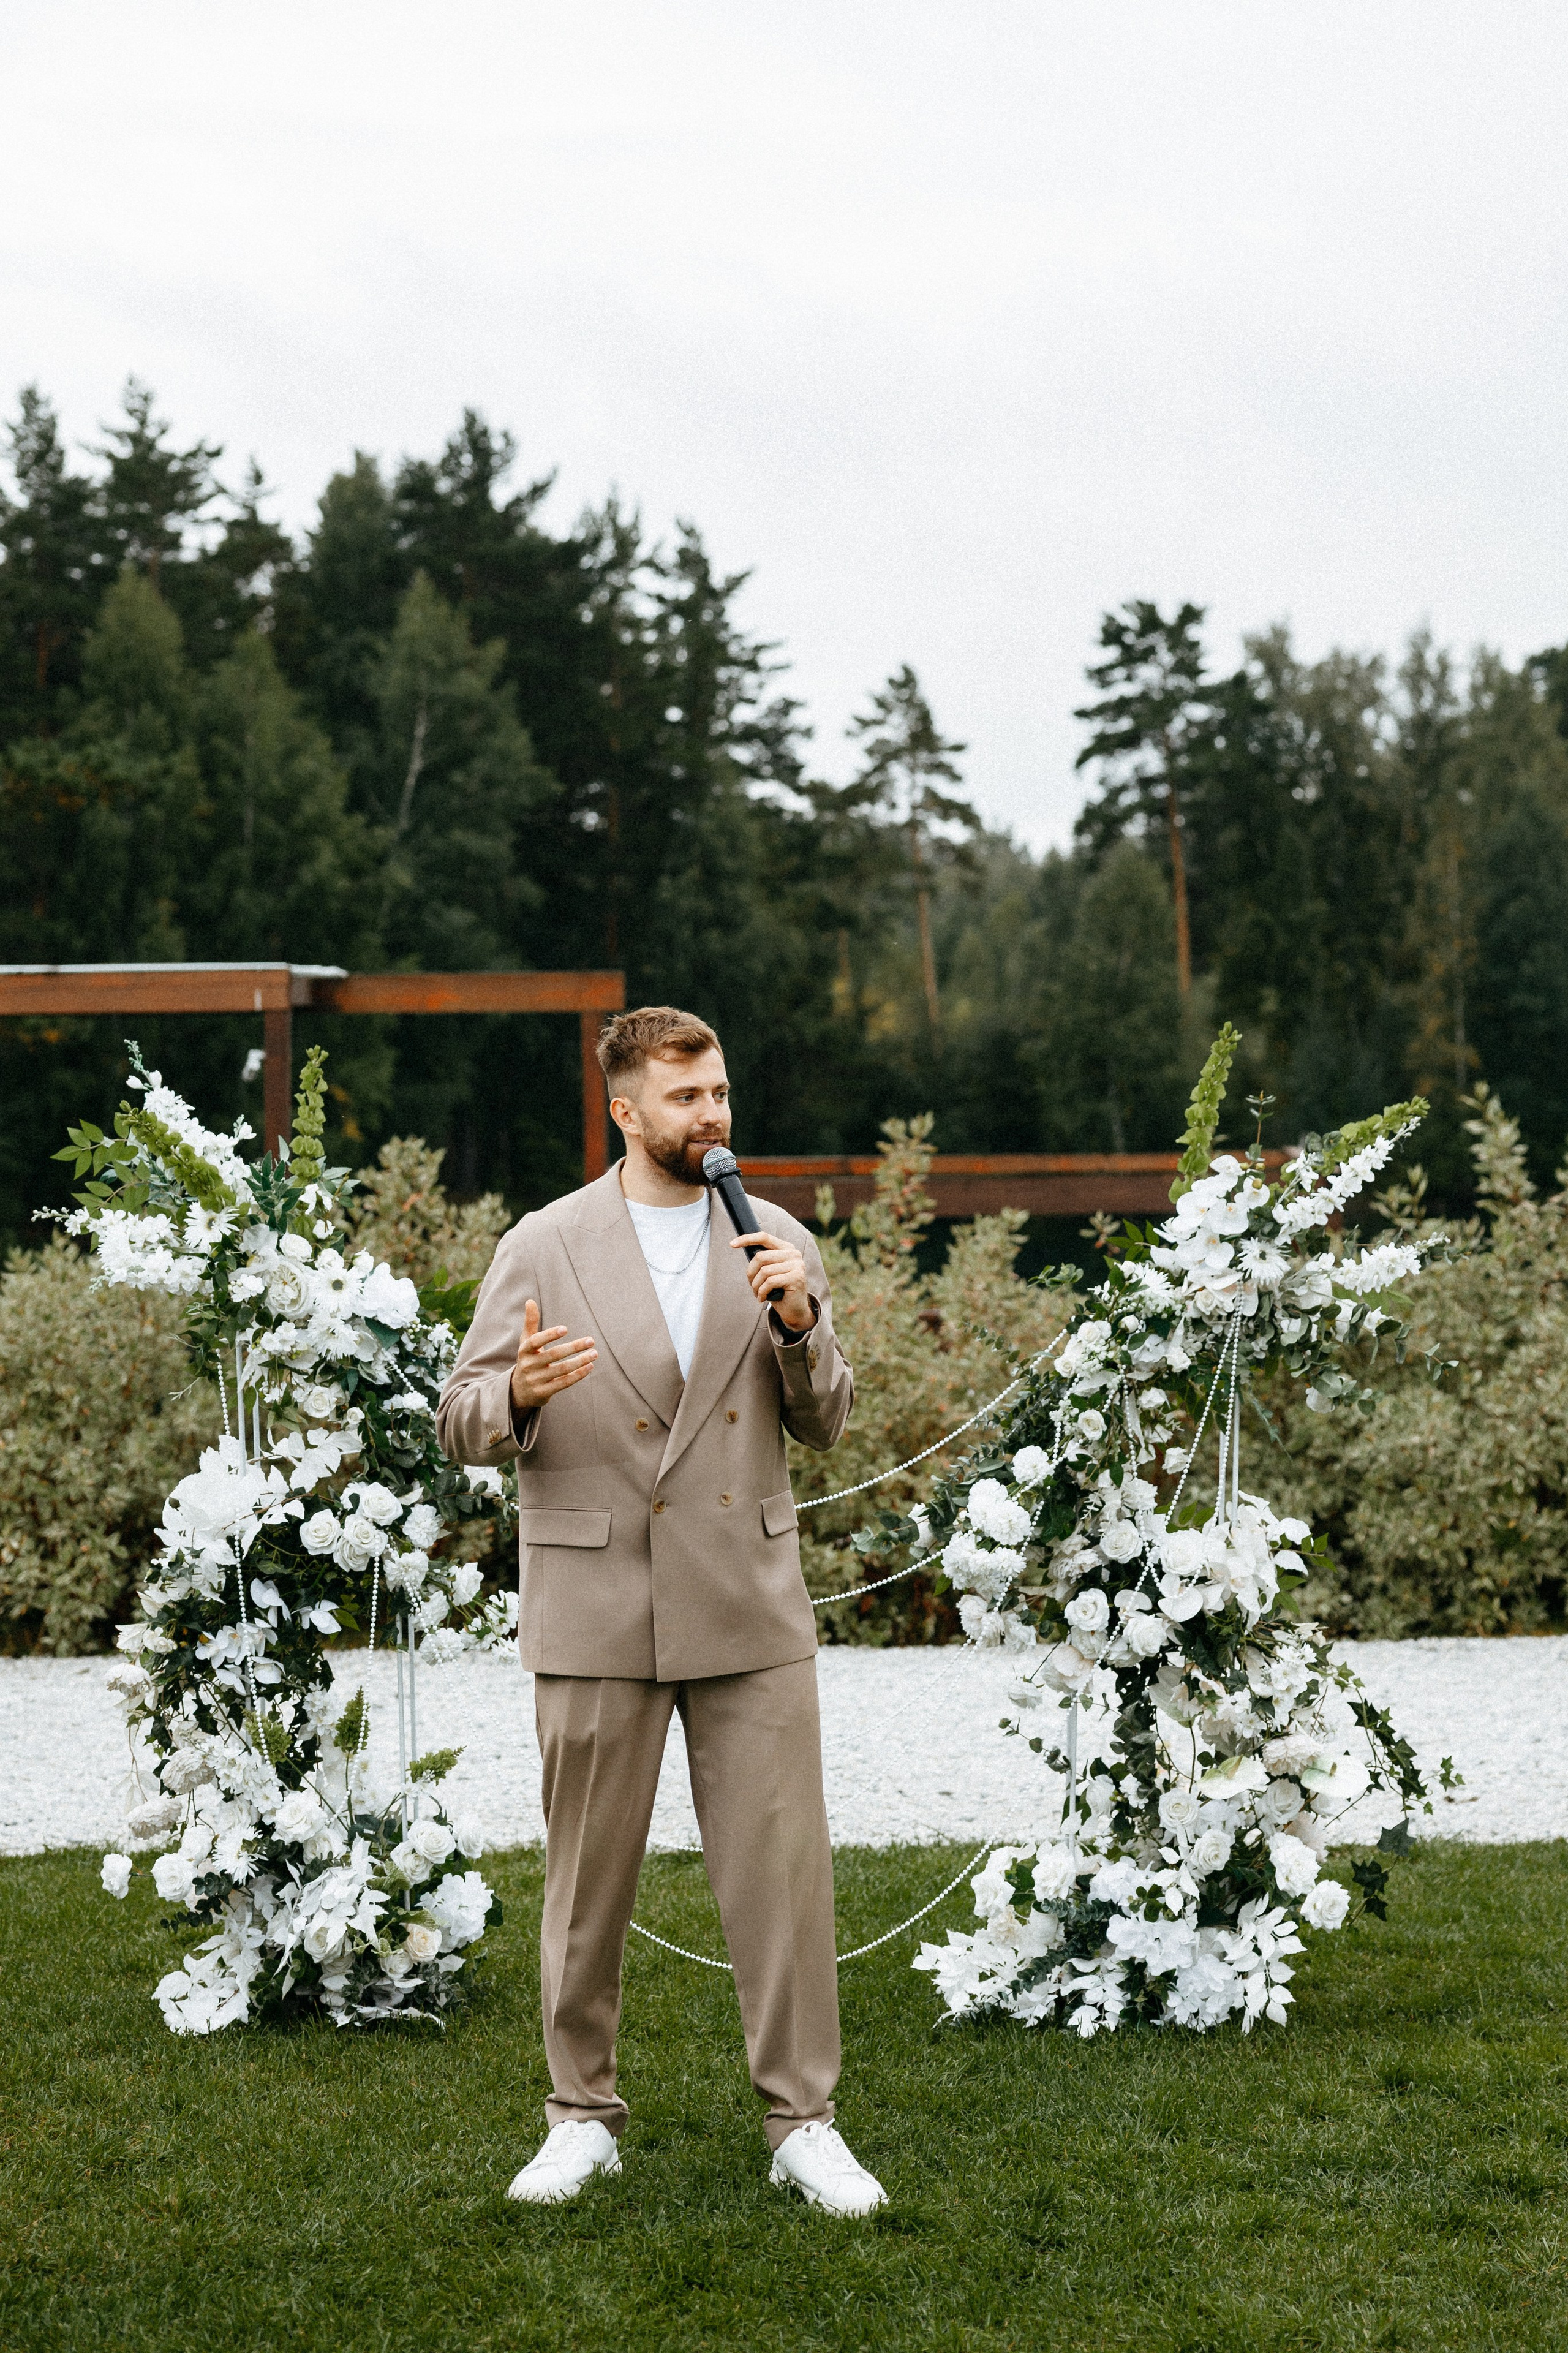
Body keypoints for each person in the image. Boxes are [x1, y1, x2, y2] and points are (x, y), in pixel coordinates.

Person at [436, 1005, 887, 2218]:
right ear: (624, 1111)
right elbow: (458, 1410)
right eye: (685, 1100)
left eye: (720, 1094)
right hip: (594, 1601)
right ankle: (579, 2115)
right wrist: (515, 1398)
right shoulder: (543, 1243)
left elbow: (827, 1418)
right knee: (586, 1881)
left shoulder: (777, 1237)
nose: (713, 1118)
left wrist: (800, 1322)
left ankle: (804, 2122)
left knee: (784, 1875)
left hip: (745, 1594)